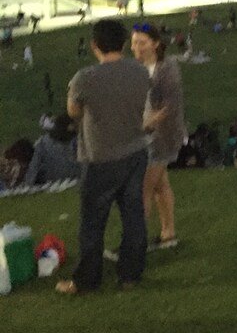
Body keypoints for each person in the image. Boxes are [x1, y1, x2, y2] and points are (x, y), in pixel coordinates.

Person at [56, 20, 151, 296]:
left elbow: (73, 112)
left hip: (101, 159)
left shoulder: (84, 77)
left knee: (93, 223)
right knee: (134, 216)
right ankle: (131, 275)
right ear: (122, 43)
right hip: (135, 152)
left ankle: (87, 280)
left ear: (95, 45)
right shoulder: (140, 71)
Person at [131, 23, 186, 250]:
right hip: (144, 136)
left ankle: (135, 244)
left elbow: (169, 107)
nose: (137, 48)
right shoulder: (134, 69)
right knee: (160, 186)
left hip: (161, 137)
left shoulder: (167, 68)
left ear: (155, 44)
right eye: (134, 43)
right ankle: (168, 233)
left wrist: (146, 125)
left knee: (143, 189)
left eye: (142, 43)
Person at [23, 113, 81, 186]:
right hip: (75, 177)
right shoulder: (77, 140)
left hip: (52, 180)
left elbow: (33, 169)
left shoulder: (43, 143)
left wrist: (28, 183)